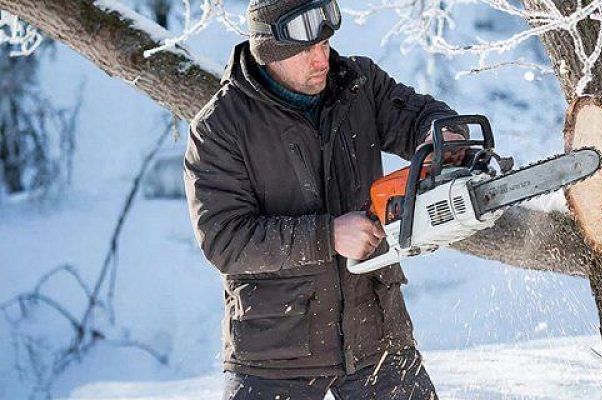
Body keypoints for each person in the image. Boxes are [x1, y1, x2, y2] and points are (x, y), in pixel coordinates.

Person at [183, 0, 466, 398]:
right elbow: (225, 240)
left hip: (376, 336)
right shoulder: (220, 129)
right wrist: (327, 235)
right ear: (270, 53)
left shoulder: (357, 84)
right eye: (307, 50)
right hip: (274, 354)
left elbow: (418, 114)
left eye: (326, 44)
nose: (323, 59)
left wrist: (439, 134)